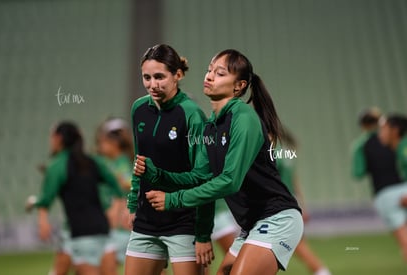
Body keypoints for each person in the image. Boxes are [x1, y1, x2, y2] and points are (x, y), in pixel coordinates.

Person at [135, 49, 304, 275]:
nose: (209, 76)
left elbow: (229, 181)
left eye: (220, 73)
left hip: (277, 218)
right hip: (251, 224)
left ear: (239, 86)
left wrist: (173, 199)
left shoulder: (244, 118)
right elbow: (200, 178)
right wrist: (159, 175)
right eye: (209, 70)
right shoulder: (210, 127)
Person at [125, 44, 214, 275]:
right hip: (146, 221)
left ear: (178, 75)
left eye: (159, 77)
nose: (152, 84)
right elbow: (139, 161)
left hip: (183, 221)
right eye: (146, 77)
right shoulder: (138, 109)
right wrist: (134, 203)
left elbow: (203, 178)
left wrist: (203, 233)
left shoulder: (192, 114)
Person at [27, 121, 124, 275]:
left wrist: (43, 221)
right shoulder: (92, 161)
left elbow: (46, 200)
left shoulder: (57, 165)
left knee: (60, 269)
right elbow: (117, 187)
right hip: (104, 232)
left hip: (81, 235)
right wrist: (115, 210)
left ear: (58, 139)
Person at [276, 130, 331, 275]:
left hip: (280, 205)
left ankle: (321, 271)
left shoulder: (272, 154)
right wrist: (303, 206)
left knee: (296, 246)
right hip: (291, 203)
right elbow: (295, 182)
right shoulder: (286, 153)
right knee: (294, 245)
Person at [96, 118, 134, 274]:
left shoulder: (122, 163)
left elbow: (129, 184)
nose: (101, 145)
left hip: (121, 226)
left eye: (104, 141)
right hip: (116, 226)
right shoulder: (107, 162)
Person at [377, 114, 407, 261]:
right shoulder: (400, 149)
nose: (379, 134)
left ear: (394, 131)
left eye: (383, 129)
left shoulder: (404, 148)